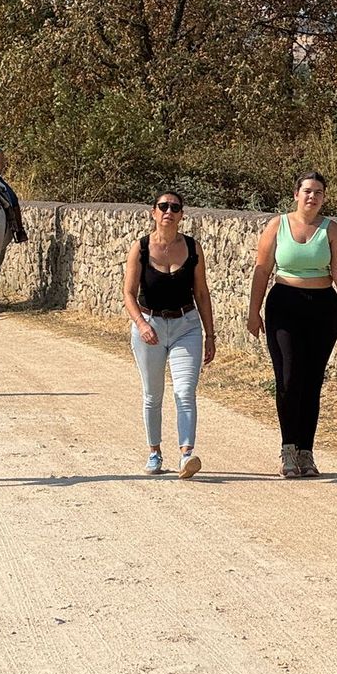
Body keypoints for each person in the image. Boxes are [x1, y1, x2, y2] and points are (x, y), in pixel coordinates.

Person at [247, 171, 337, 479]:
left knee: (312, 382)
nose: (312, 196)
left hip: (321, 307)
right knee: (288, 378)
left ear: (324, 197)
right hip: (284, 304)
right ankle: (288, 449)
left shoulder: (331, 230)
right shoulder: (278, 225)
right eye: (308, 191)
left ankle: (305, 452)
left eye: (318, 192)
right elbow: (262, 270)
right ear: (296, 194)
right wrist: (253, 311)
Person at [121, 190, 216, 478]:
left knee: (184, 391)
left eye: (175, 208)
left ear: (182, 215)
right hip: (149, 325)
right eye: (163, 206)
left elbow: (201, 293)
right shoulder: (141, 248)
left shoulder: (193, 247)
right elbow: (128, 293)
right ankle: (154, 452)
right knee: (153, 394)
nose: (168, 212)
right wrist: (142, 325)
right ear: (153, 212)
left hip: (186, 325)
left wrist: (210, 335)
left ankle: (187, 454)